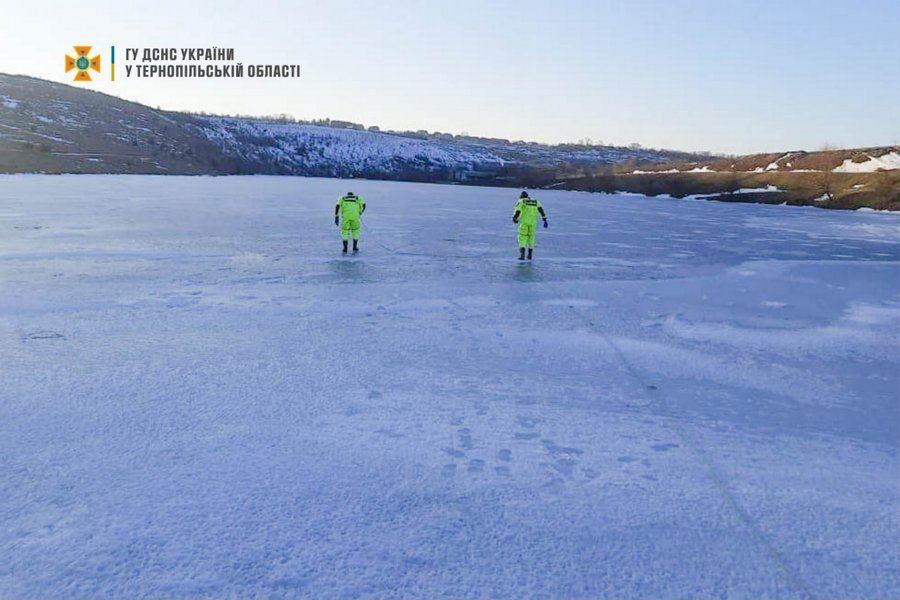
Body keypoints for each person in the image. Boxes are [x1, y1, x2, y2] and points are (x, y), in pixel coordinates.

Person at [512, 191, 548, 260]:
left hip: (524, 222)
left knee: (522, 237)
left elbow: (518, 211)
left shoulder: (522, 201)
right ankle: (530, 255)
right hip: (533, 223)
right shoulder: (535, 201)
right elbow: (541, 210)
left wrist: (514, 218)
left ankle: (522, 255)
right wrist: (544, 219)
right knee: (531, 237)